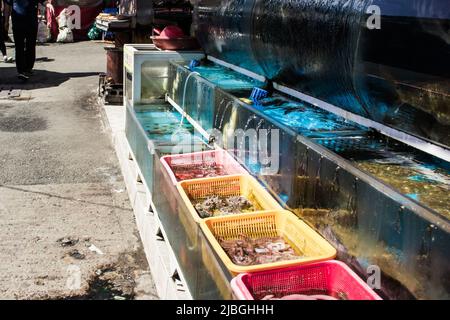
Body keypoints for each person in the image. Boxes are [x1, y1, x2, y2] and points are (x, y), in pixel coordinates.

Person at [4, 0, 52, 80]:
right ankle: (21, 71)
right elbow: (7, 5)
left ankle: (28, 68)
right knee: (19, 46)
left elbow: (43, 1)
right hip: (18, 22)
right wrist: (6, 21)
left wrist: (48, 5)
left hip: (31, 22)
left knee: (30, 45)